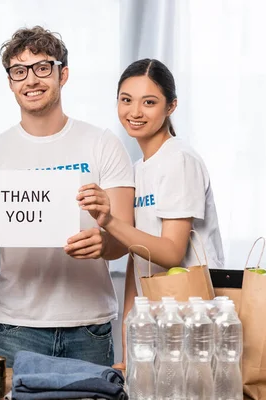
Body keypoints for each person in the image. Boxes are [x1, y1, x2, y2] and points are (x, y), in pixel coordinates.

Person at [0, 26, 135, 367]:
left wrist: (103, 243)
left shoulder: (103, 144)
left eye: (42, 67)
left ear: (63, 74)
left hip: (89, 326)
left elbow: (124, 241)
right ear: (10, 82)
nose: (31, 80)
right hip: (16, 327)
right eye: (19, 71)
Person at [78, 58, 224, 369]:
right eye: (126, 100)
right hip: (157, 322)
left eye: (149, 102)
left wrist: (108, 221)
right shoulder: (138, 169)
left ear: (171, 106)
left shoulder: (179, 160)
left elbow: (171, 253)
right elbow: (138, 257)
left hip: (189, 319)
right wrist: (129, 346)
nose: (134, 112)